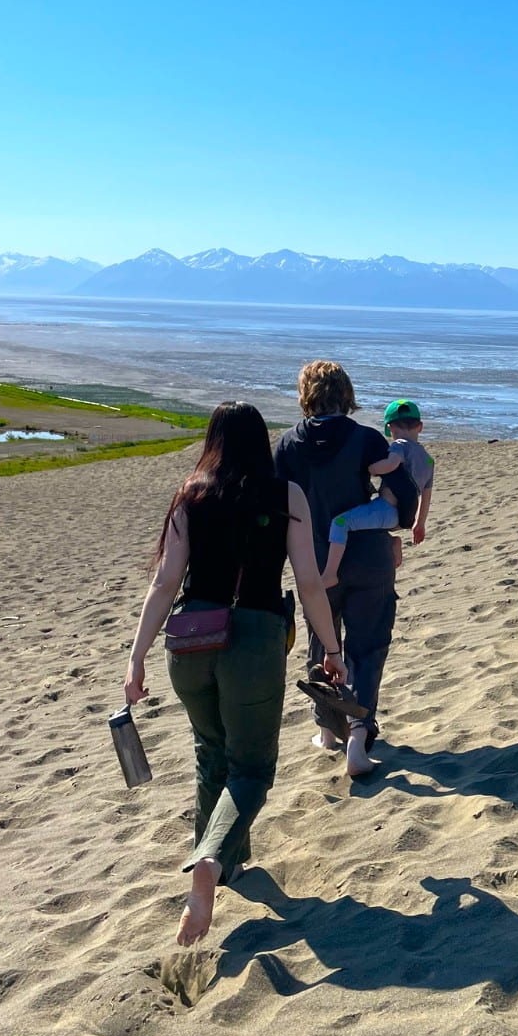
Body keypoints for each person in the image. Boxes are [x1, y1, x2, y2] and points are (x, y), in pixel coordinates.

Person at [124, 401, 345, 948]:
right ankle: (207, 865)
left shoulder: (190, 495)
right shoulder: (286, 495)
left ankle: (227, 863)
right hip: (253, 638)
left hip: (191, 642)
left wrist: (136, 657)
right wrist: (332, 649)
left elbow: (164, 583)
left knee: (211, 753)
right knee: (251, 769)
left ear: (214, 440)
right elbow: (311, 583)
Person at [274, 361, 417, 777]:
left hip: (314, 561)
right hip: (368, 556)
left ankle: (328, 730)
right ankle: (359, 735)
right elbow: (403, 495)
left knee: (323, 643)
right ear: (346, 394)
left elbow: (276, 507)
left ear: (306, 396)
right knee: (368, 647)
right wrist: (396, 527)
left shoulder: (286, 446)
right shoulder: (367, 439)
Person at [321, 398, 435, 588]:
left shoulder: (399, 445)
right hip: (403, 517)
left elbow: (391, 464)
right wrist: (419, 524)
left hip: (386, 510)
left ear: (390, 428)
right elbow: (427, 496)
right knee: (369, 522)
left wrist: (371, 468)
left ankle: (330, 573)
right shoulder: (429, 460)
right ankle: (392, 541)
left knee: (340, 522)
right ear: (420, 427)